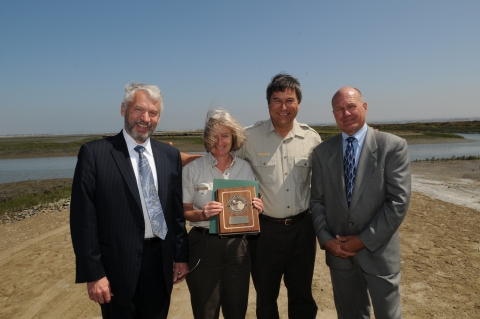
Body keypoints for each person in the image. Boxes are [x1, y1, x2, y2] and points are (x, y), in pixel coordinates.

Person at [70, 82, 189, 319]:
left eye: (153, 113)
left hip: (159, 264)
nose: (145, 118)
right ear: (123, 109)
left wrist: (180, 257)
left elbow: (175, 214)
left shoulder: (170, 156)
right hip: (115, 270)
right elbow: (83, 220)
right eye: (138, 110)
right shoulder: (95, 154)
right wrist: (94, 274)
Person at [310, 87, 411, 318]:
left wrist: (362, 240)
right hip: (339, 254)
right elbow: (316, 201)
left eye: (351, 106)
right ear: (333, 114)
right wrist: (326, 240)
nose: (346, 113)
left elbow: (398, 202)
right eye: (339, 109)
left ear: (364, 107)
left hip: (380, 254)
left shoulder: (392, 146)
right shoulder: (321, 152)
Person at [237, 73, 321, 318]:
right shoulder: (248, 137)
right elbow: (224, 163)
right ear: (268, 104)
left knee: (302, 294)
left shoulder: (312, 138)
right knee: (265, 296)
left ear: (298, 104)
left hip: (302, 229)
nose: (283, 107)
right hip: (264, 232)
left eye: (289, 100)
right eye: (277, 100)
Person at [182, 108, 263, 319]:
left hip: (238, 247)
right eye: (214, 135)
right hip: (202, 246)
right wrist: (201, 215)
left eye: (225, 135)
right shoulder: (193, 169)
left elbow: (252, 204)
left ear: (233, 137)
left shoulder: (245, 168)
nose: (220, 141)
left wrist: (257, 208)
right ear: (207, 139)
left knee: (236, 310)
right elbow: (184, 212)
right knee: (205, 311)